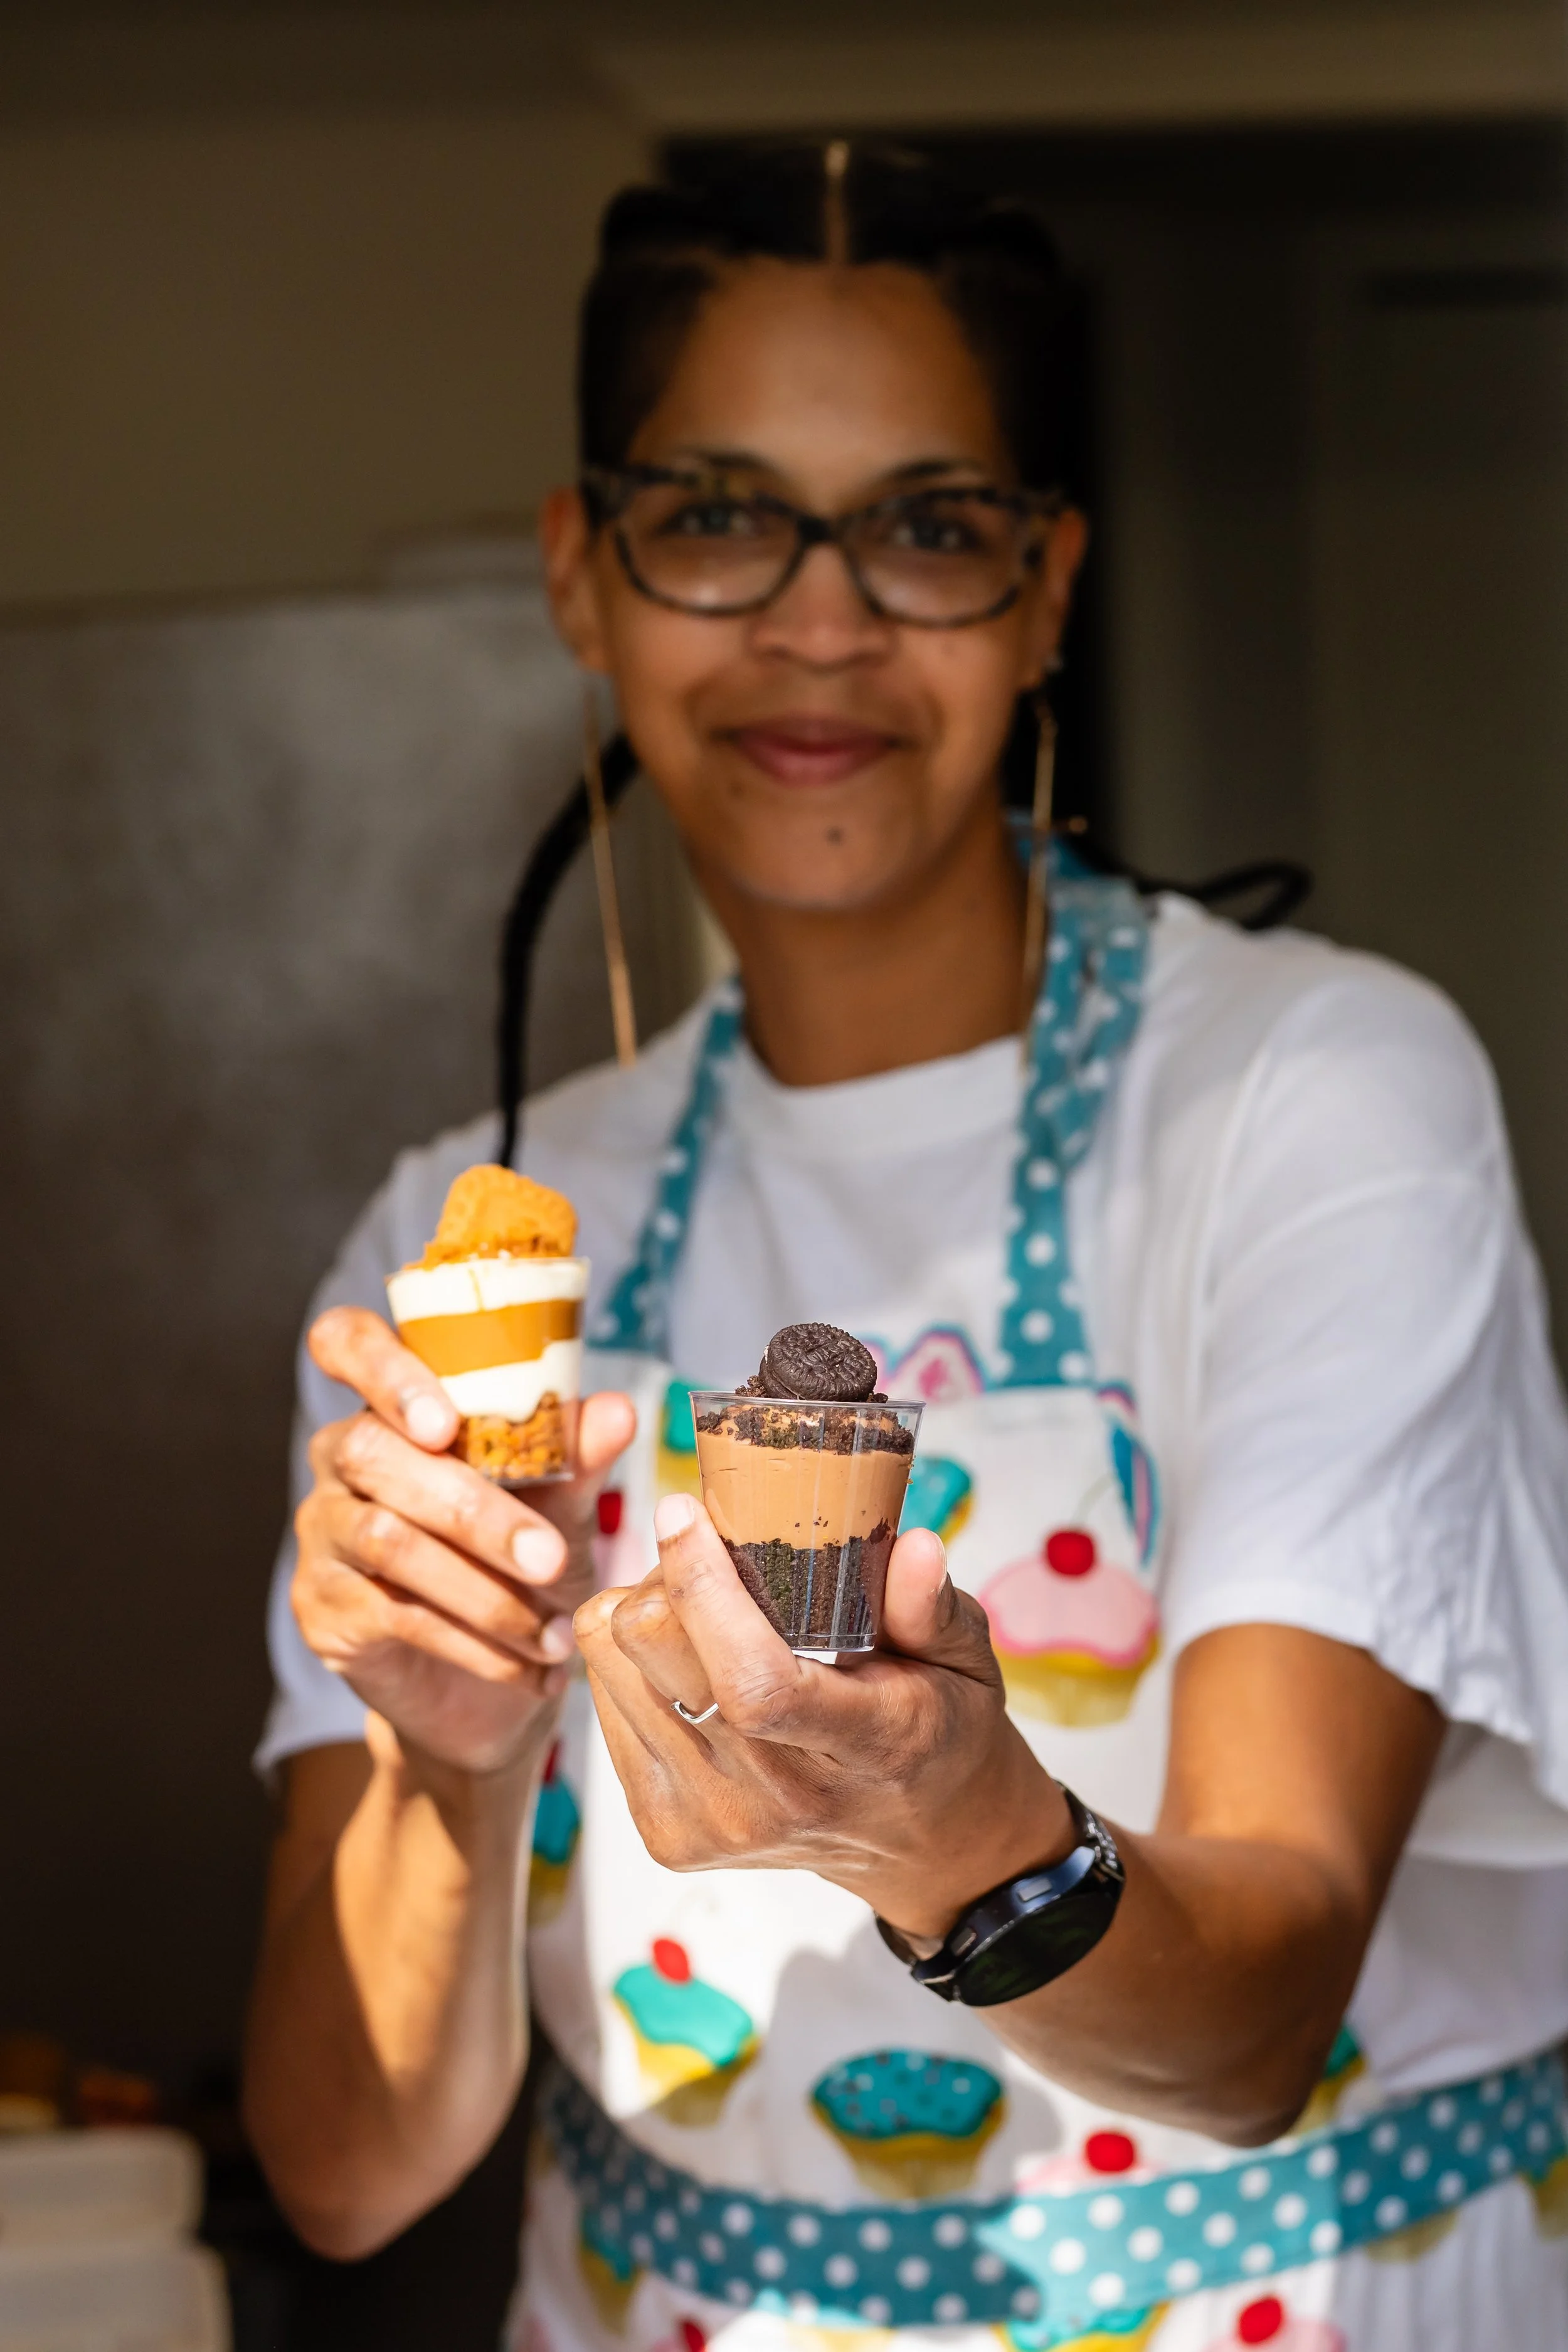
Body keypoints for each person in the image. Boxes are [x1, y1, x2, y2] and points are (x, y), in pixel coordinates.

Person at [242, 144, 1568, 2352]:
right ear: (586, 574)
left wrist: (956, 1832)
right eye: (717, 513)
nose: (820, 618)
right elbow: (349, 2174)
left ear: (1048, 586)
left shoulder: (1314, 1098)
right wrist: (451, 1763)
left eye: (930, 527)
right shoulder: (471, 1237)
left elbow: (1248, 2027)